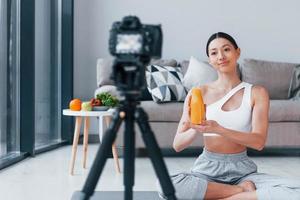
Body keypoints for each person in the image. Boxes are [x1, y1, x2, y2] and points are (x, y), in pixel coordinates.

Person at [158, 32, 300, 200]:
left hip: (243, 172)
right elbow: (177, 145)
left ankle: (218, 195)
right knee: (166, 185)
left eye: (226, 49)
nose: (221, 56)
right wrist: (196, 129)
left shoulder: (257, 92)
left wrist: (219, 129)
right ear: (209, 59)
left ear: (237, 52)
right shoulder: (198, 93)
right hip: (206, 171)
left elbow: (258, 142)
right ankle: (240, 193)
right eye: (214, 53)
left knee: (296, 190)